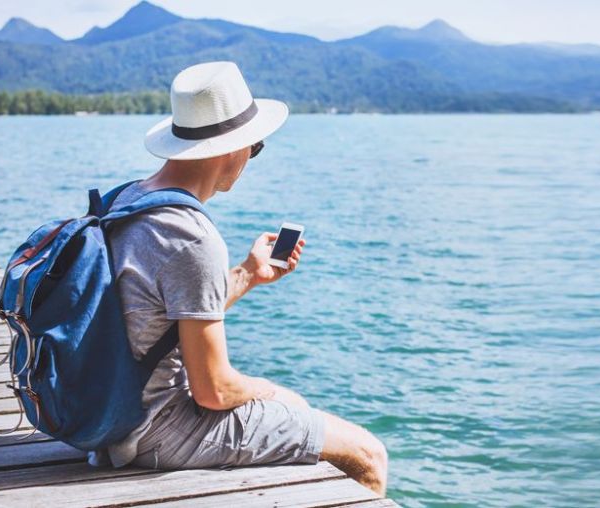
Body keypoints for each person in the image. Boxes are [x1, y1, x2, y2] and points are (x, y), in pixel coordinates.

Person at [86, 61, 388, 496]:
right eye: (256, 147)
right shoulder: (192, 236)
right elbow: (214, 391)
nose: (251, 158)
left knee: (295, 413)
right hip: (154, 429)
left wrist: (249, 274)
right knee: (366, 453)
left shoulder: (128, 201)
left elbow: (154, 315)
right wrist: (271, 391)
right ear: (234, 148)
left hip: (107, 413)